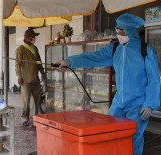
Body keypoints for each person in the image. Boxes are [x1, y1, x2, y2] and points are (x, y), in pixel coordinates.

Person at [56, 13, 160, 155]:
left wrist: (150, 103)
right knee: (109, 132)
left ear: (130, 30)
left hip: (138, 104)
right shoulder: (115, 48)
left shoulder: (146, 50)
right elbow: (94, 57)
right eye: (117, 30)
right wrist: (70, 61)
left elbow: (154, 79)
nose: (119, 33)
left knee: (132, 137)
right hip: (118, 102)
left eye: (122, 30)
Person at [15, 29, 45, 126]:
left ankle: (35, 119)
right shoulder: (20, 49)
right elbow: (17, 64)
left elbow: (39, 62)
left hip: (36, 79)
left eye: (33, 37)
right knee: (26, 101)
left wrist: (43, 73)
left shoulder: (34, 49)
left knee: (36, 101)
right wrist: (19, 77)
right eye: (32, 37)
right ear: (27, 38)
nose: (33, 39)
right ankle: (24, 119)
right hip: (25, 80)